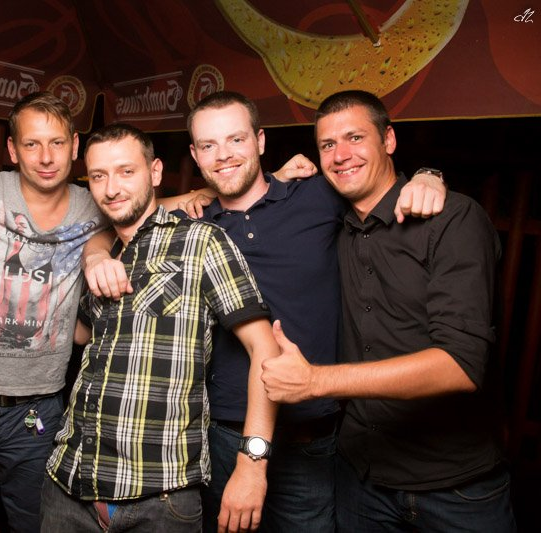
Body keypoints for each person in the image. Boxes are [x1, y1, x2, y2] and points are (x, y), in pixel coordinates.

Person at [0, 93, 313, 532]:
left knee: (27, 520)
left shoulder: (157, 227)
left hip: (68, 429)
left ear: (75, 148)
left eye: (57, 143)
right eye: (32, 144)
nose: (46, 157)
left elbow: (159, 206)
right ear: (13, 150)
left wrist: (263, 178)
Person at [85, 91, 446, 533]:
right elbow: (122, 214)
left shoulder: (318, 195)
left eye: (235, 140)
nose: (223, 155)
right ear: (195, 155)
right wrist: (95, 253)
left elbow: (375, 182)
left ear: (259, 140)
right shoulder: (194, 224)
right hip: (221, 435)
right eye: (209, 145)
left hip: (308, 437)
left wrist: (428, 175)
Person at [261, 89, 516, 531]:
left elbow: (461, 365)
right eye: (327, 144)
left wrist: (316, 381)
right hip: (362, 480)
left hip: (456, 487)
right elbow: (234, 199)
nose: (341, 155)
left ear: (389, 140)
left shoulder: (451, 219)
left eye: (355, 138)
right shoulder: (329, 224)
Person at [42, 123, 281, 532]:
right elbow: (82, 337)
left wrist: (252, 465)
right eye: (98, 176)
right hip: (69, 483)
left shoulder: (201, 242)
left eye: (126, 171)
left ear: (155, 172)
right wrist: (89, 257)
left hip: (160, 496)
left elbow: (265, 349)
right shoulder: (103, 252)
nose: (111, 188)